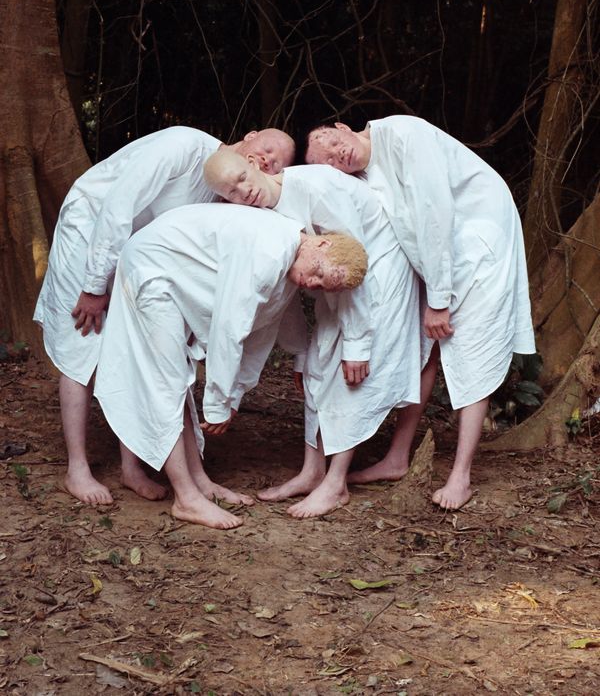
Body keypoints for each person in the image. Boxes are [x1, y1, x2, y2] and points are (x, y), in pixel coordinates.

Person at [34, 125, 295, 506]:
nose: (268, 161)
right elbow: (119, 204)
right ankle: (78, 468)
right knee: (84, 342)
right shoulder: (183, 146)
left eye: (277, 164)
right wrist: (94, 285)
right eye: (269, 148)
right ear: (251, 136)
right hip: (93, 226)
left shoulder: (230, 192)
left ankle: (131, 467)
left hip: (139, 253)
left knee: (134, 345)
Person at [305, 116, 536, 510]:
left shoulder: (403, 134)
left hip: (479, 239)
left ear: (342, 127)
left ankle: (460, 477)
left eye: (330, 144)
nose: (335, 157)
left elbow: (434, 214)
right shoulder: (366, 176)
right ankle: (397, 457)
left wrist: (439, 301)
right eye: (326, 162)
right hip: (436, 257)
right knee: (422, 345)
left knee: (472, 352)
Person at [93, 203, 368, 529]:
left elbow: (260, 331)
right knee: (165, 381)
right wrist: (219, 403)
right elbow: (229, 329)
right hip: (151, 267)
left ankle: (199, 481)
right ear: (321, 243)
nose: (312, 284)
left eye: (321, 286)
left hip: (172, 272)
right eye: (319, 274)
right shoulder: (269, 252)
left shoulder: (289, 260)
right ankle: (186, 498)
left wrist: (233, 395)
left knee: (178, 379)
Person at [203, 150, 422, 518]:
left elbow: (351, 260)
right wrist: (300, 351)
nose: (244, 192)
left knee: (348, 373)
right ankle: (313, 471)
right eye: (232, 192)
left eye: (242, 178)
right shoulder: (264, 215)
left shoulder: (315, 186)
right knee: (318, 365)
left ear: (255, 163)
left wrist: (357, 343)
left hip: (373, 273)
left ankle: (336, 484)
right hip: (328, 280)